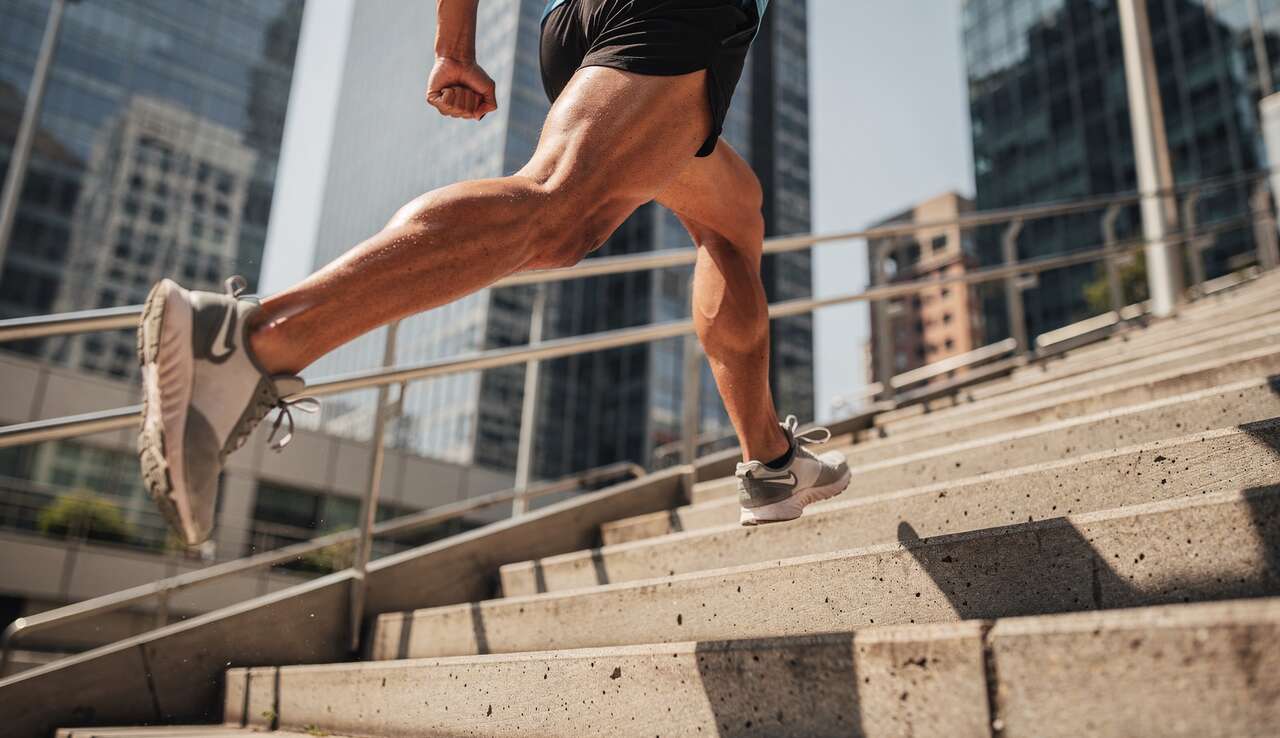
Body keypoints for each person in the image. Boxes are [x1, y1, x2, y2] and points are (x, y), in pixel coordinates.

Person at [136, 0, 850, 547]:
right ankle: (251, 339)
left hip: (576, 27)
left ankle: (771, 463)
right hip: (681, 12)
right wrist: (452, 46)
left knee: (725, 219)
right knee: (554, 205)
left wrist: (454, 45)